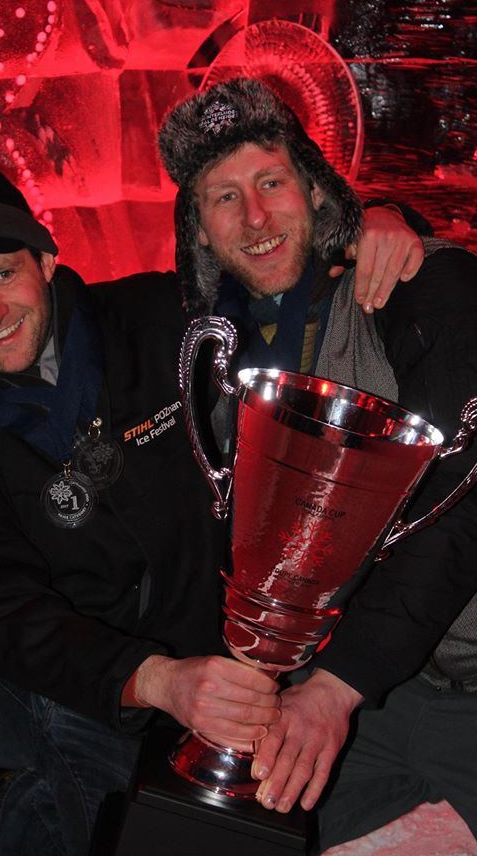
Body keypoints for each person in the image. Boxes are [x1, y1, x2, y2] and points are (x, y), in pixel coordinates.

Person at [0, 147, 424, 856]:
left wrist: (379, 223)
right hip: (40, 685)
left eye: (3, 273)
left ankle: (15, 799)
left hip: (188, 689)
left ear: (44, 259)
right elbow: (2, 608)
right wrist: (152, 679)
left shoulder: (160, 318)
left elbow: (277, 274)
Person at [157, 76, 477, 851]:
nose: (255, 216)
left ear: (317, 191)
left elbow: (463, 503)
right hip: (368, 698)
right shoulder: (207, 353)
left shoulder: (420, 286)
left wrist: (338, 687)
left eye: (272, 183)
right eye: (224, 197)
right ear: (200, 231)